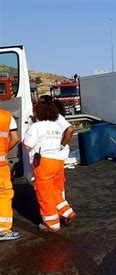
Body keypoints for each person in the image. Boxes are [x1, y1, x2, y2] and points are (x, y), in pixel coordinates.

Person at [23, 101, 76, 232]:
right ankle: (66, 211)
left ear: (38, 113)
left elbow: (27, 145)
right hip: (58, 162)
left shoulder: (36, 126)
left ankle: (51, 224)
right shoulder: (56, 127)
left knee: (44, 193)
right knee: (55, 190)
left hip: (44, 163)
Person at [0, 109, 20, 241]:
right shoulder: (6, 116)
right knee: (4, 194)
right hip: (1, 165)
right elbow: (15, 138)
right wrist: (4, 151)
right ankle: (2, 229)